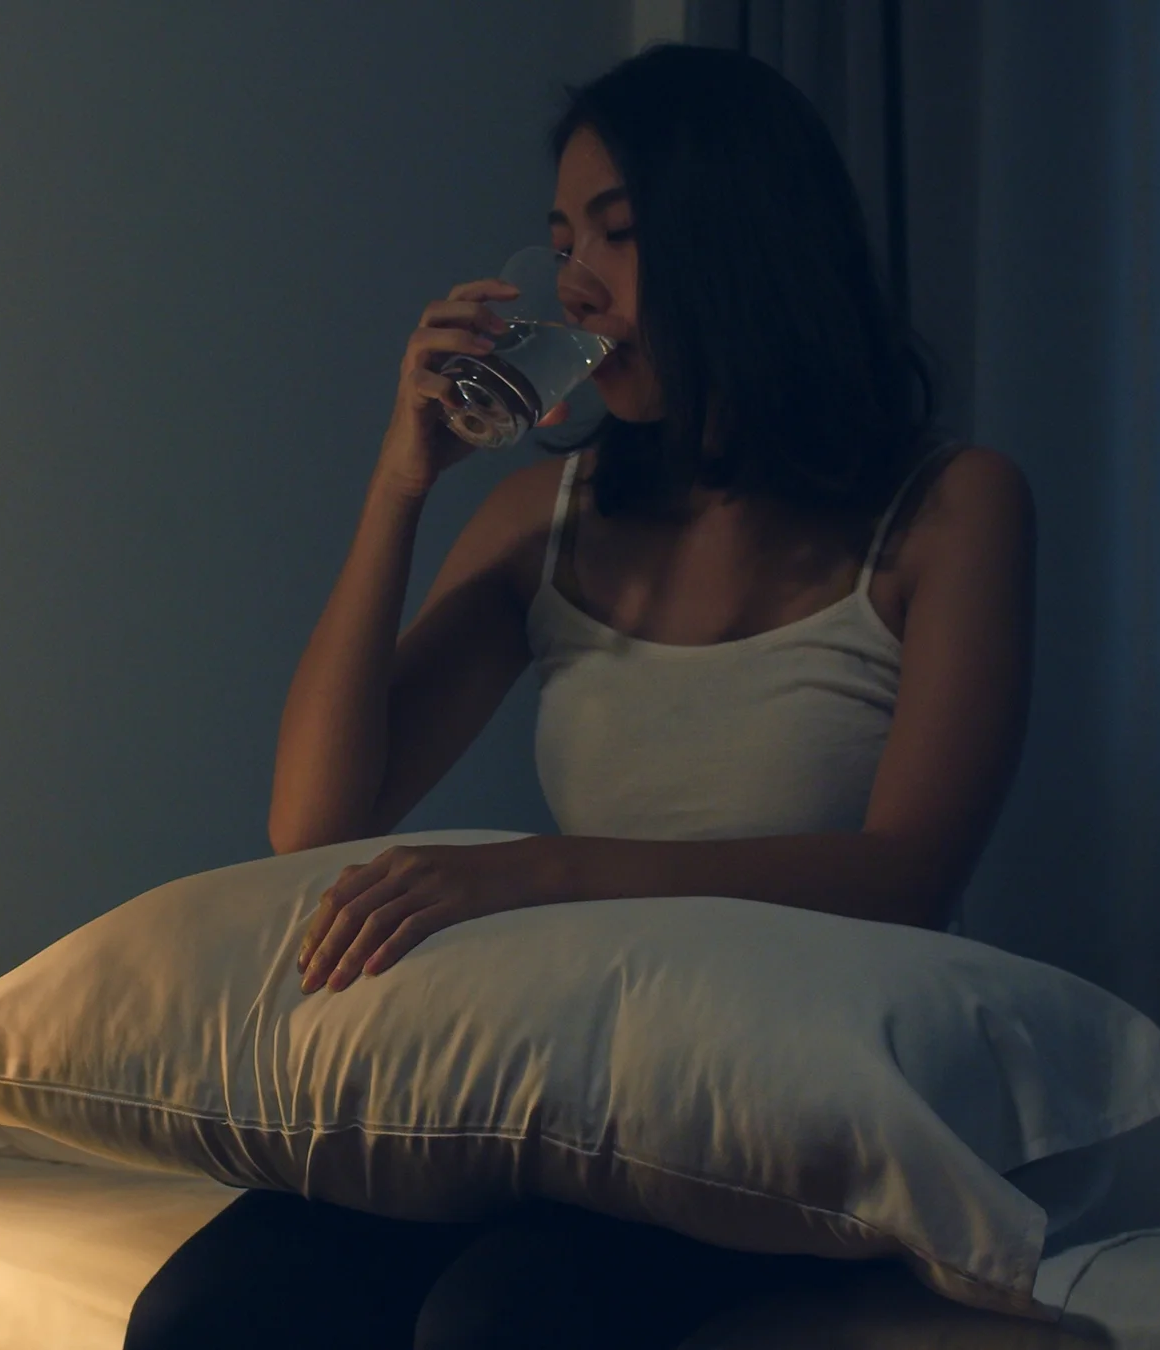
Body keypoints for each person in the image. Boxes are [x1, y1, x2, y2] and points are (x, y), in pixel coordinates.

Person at [125, 41, 1034, 1350]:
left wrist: (532, 875)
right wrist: (400, 483)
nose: (574, 283)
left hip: (784, 1094)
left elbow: (909, 871)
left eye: (617, 233)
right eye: (561, 240)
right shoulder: (546, 515)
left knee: (501, 1318)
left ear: (738, 245)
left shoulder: (953, 507)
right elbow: (315, 816)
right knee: (205, 1310)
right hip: (576, 1087)